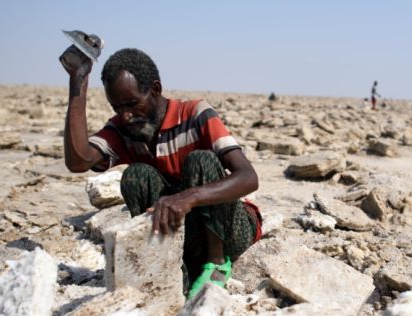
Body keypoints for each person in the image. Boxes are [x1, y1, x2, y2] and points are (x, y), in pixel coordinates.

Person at [60, 46, 262, 300]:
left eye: (133, 104)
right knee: (136, 175)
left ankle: (217, 266)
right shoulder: (123, 129)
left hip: (228, 230)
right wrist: (77, 81)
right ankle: (174, 269)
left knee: (200, 161)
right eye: (117, 107)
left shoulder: (195, 113)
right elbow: (79, 161)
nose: (127, 115)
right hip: (185, 235)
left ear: (155, 89)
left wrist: (189, 196)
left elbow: (248, 177)